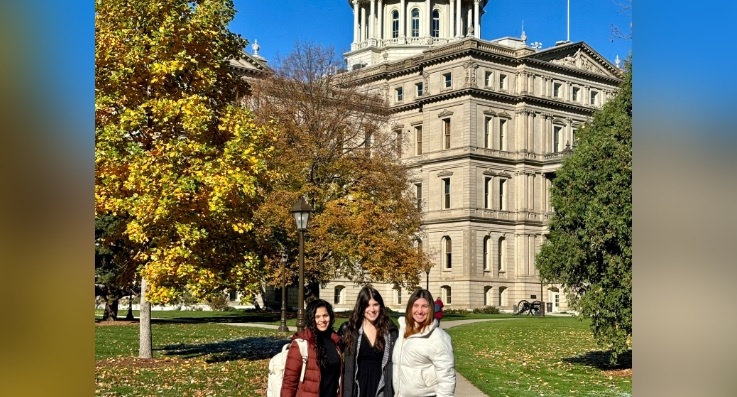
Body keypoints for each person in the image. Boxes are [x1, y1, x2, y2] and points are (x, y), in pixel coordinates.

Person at [392, 289, 455, 397]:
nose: (420, 311)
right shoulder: (402, 331)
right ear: (410, 308)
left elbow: (447, 378)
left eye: (424, 306)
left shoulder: (437, 337)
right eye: (416, 305)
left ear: (431, 309)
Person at [338, 286, 399, 397]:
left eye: (375, 304)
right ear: (361, 307)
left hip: (381, 387)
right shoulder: (351, 330)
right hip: (357, 387)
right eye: (367, 305)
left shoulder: (390, 331)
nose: (372, 309)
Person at [281, 299, 343, 397]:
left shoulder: (335, 341)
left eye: (325, 315)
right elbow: (289, 382)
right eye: (317, 317)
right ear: (311, 318)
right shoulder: (301, 344)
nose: (322, 320)